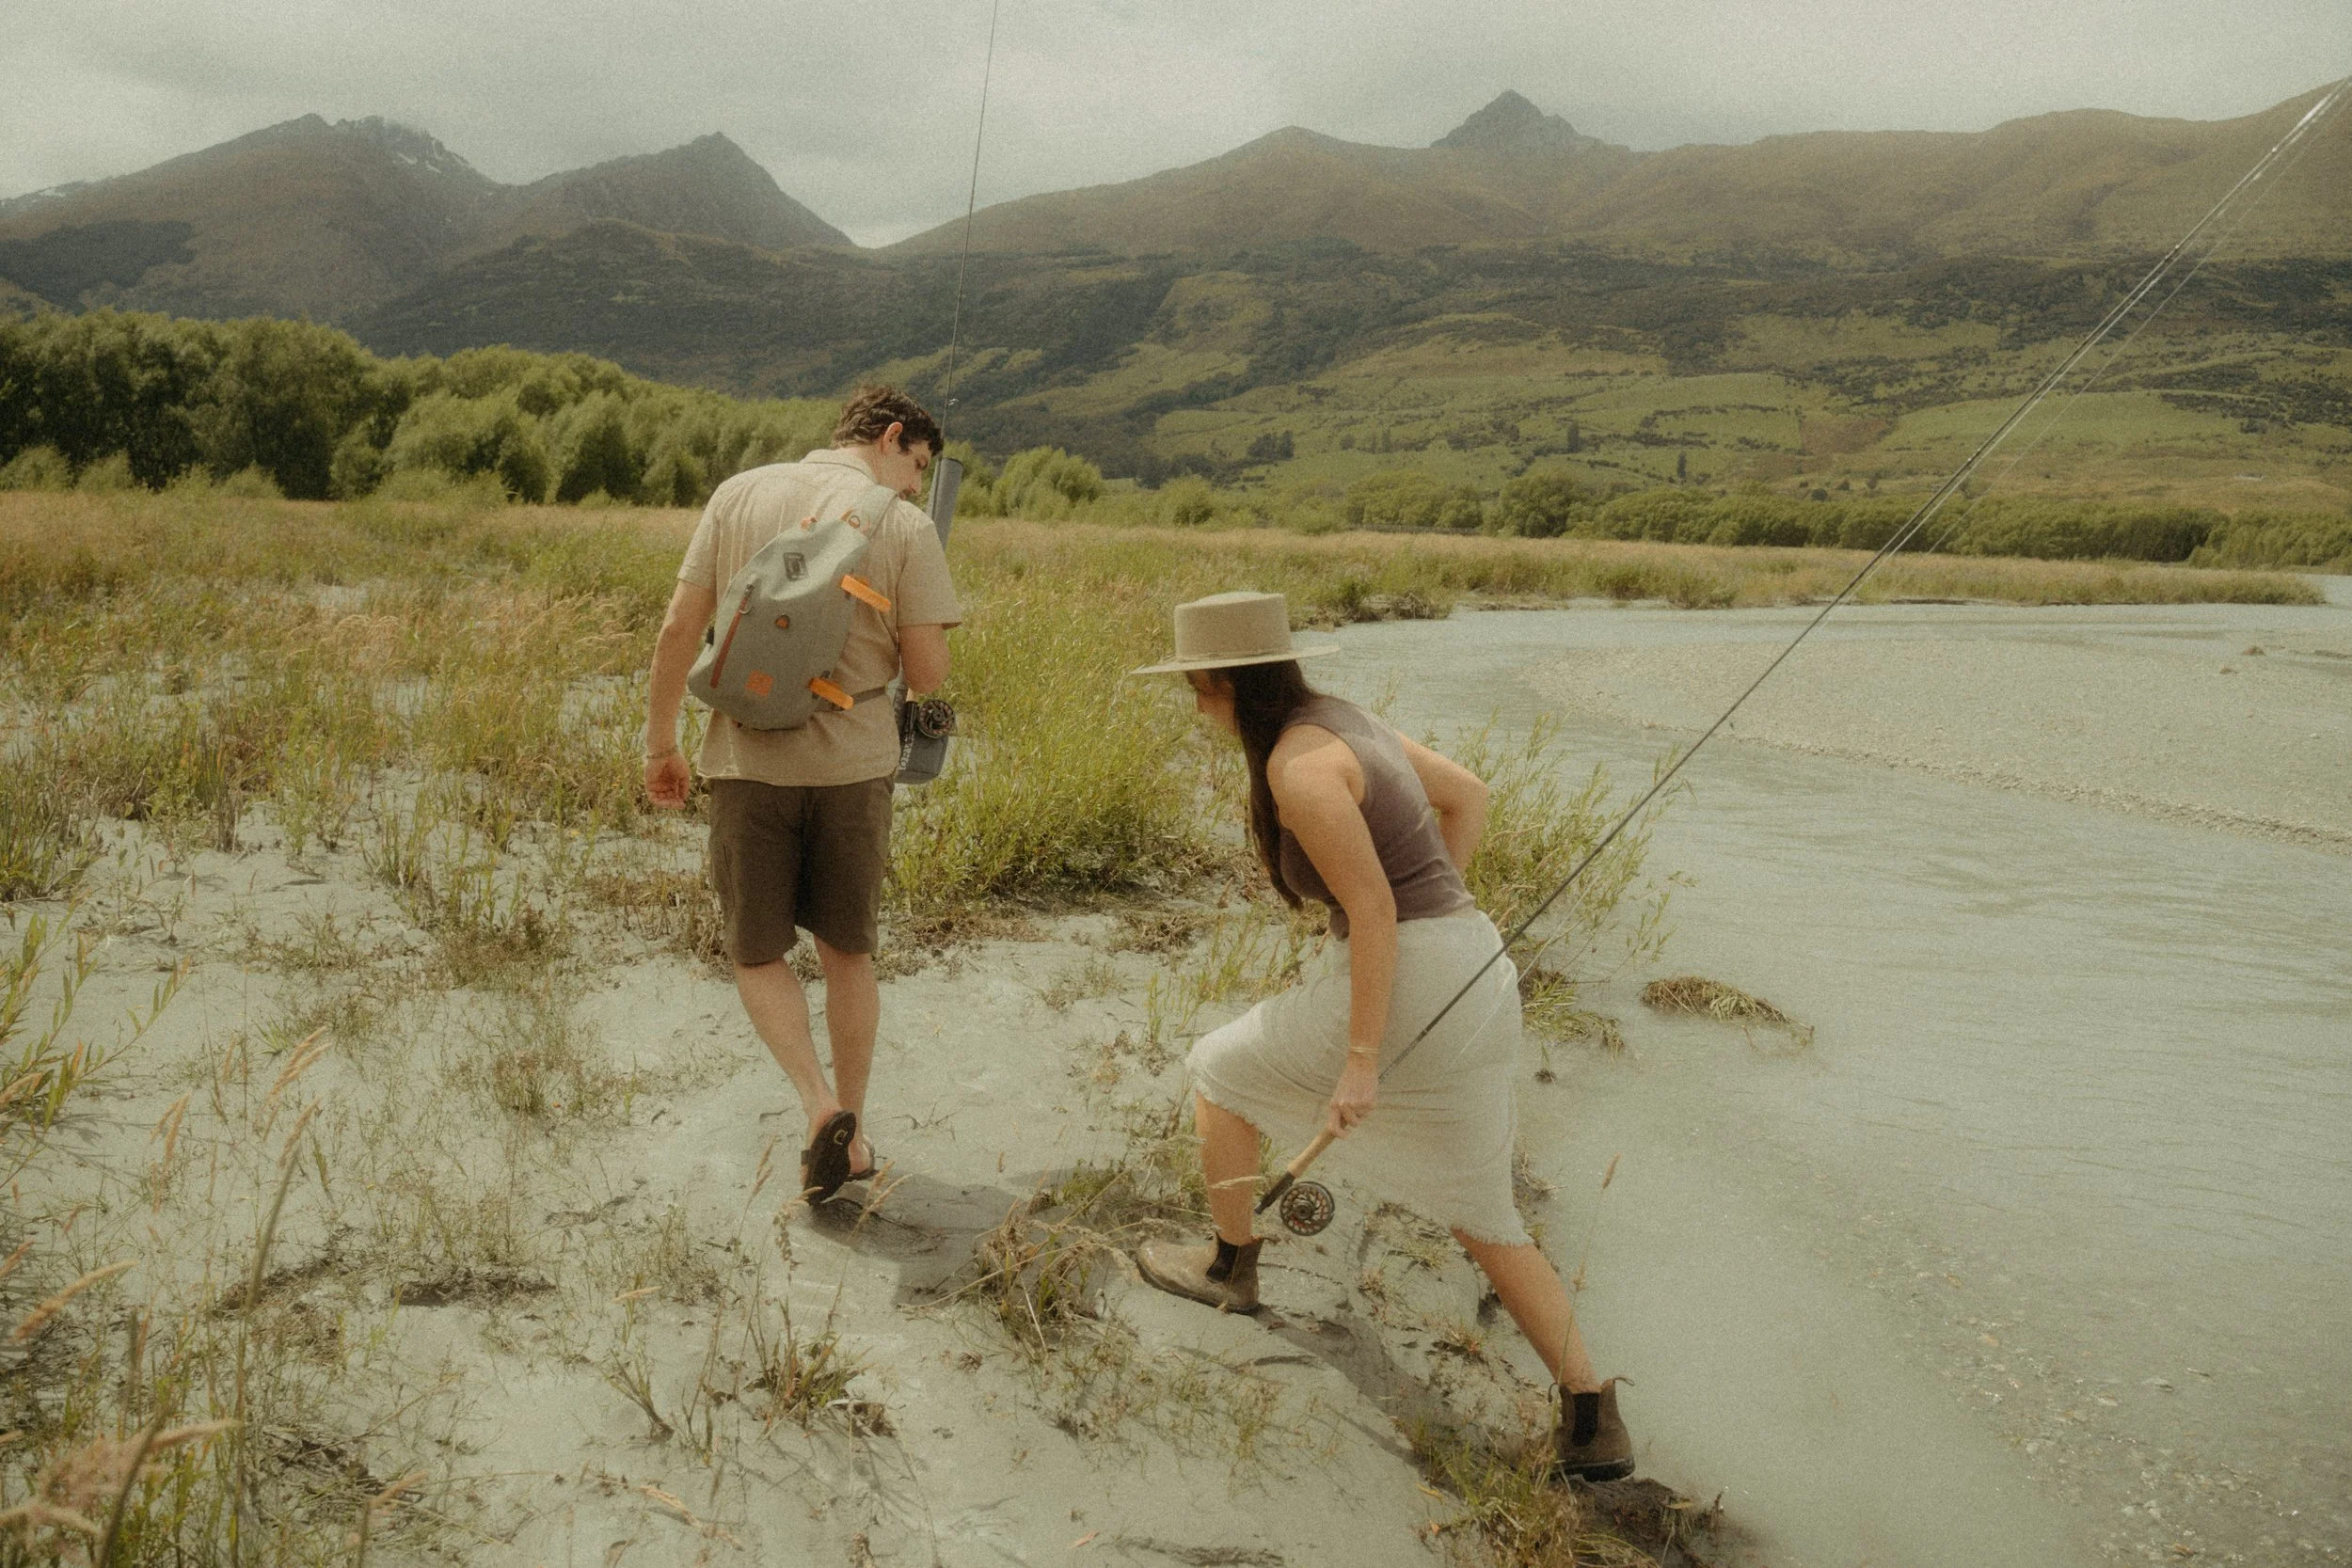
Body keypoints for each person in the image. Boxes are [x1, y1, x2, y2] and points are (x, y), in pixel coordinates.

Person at [1127, 590, 1634, 1484]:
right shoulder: (1345, 719)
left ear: (1218, 681)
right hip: (1476, 968)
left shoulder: (1296, 766)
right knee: (1486, 1212)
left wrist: (1362, 1061)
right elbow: (1466, 799)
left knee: (1216, 1068)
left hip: (1414, 972)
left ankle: (1228, 1267)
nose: (1192, 702)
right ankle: (1593, 1417)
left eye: (1193, 686)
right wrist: (1434, 931)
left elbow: (1371, 907)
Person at [643, 385, 961, 1203]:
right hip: (854, 771)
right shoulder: (907, 525)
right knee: (847, 953)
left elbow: (680, 630)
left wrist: (661, 741)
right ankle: (852, 1130)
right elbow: (927, 676)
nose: (914, 486)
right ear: (893, 438)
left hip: (747, 765)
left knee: (756, 952)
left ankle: (818, 1108)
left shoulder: (738, 494)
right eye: (917, 467)